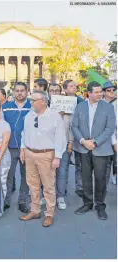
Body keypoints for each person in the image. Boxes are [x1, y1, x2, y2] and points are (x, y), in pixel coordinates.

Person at [19, 91, 66, 227]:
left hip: (46, 155)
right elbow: (24, 133)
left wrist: (57, 157)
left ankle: (49, 214)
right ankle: (35, 210)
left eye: (34, 100)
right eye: (31, 100)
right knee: (32, 184)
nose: (31, 102)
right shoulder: (29, 115)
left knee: (48, 186)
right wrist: (23, 149)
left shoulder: (55, 117)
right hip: (30, 153)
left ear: (43, 101)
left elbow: (60, 138)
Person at [72, 81, 116, 220]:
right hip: (83, 148)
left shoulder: (108, 107)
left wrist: (95, 142)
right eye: (96, 92)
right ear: (89, 93)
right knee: (85, 178)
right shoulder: (80, 106)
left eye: (101, 92)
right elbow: (74, 126)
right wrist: (83, 141)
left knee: (100, 179)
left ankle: (100, 205)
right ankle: (87, 203)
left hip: (101, 149)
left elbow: (110, 128)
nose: (100, 94)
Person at [2, 82, 31, 213]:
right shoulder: (5, 107)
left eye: (22, 90)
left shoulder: (33, 107)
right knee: (9, 175)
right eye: (17, 91)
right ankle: (6, 200)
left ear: (27, 92)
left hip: (28, 148)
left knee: (26, 176)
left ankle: (22, 201)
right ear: (13, 92)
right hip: (10, 147)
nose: (19, 93)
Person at [62, 79, 84, 198]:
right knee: (64, 165)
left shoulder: (81, 101)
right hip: (65, 137)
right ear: (65, 89)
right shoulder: (60, 102)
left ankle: (79, 186)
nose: (74, 87)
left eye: (74, 86)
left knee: (79, 164)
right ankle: (62, 187)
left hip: (79, 136)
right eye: (71, 86)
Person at [103, 81, 117, 185]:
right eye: (109, 90)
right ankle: (104, 187)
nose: (112, 92)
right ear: (104, 92)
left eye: (113, 89)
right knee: (106, 164)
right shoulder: (100, 104)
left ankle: (115, 176)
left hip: (116, 136)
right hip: (105, 139)